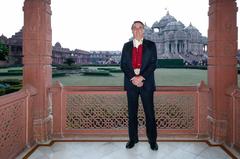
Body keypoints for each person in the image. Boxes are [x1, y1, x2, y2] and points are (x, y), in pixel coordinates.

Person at [120, 21, 158, 150]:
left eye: (140, 28)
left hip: (146, 83)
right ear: (132, 30)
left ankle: (152, 140)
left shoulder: (151, 45)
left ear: (143, 30)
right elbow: (123, 65)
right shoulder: (126, 46)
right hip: (131, 83)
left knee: (149, 113)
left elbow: (153, 64)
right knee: (132, 113)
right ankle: (133, 139)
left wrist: (141, 77)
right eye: (135, 28)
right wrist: (133, 78)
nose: (137, 30)